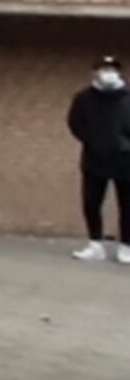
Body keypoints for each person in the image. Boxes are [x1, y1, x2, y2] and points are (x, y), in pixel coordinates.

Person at [69, 56, 130, 263]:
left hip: (125, 160)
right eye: (104, 69)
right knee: (91, 202)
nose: (108, 73)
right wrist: (92, 140)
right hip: (94, 159)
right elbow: (75, 123)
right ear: (95, 72)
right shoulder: (84, 98)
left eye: (112, 69)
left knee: (127, 205)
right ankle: (95, 245)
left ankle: (126, 248)